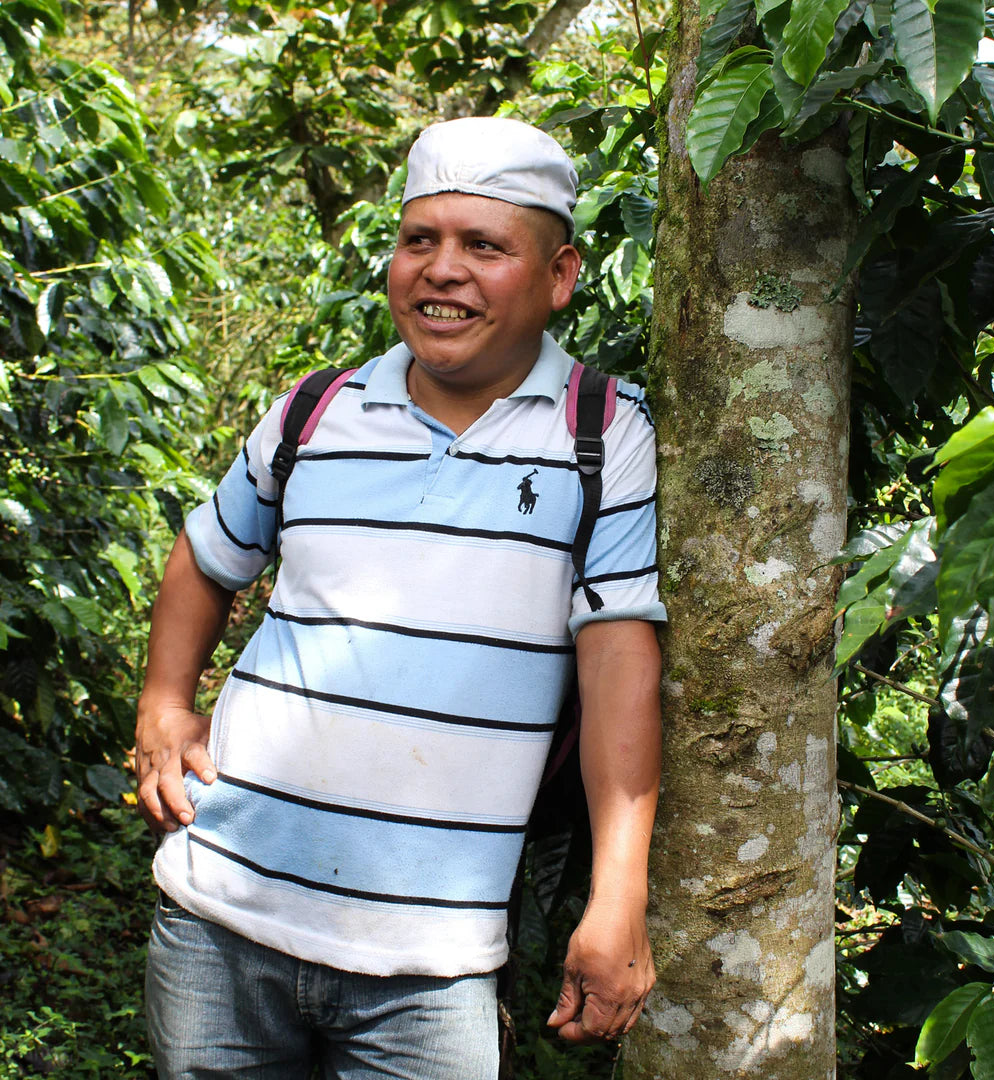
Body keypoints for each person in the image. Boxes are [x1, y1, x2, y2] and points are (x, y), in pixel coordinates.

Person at [136, 115, 665, 1079]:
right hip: (220, 915)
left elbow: (621, 655)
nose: (442, 269)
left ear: (558, 276)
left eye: (484, 246)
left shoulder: (603, 434)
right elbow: (208, 554)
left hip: (433, 963)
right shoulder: (318, 408)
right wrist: (164, 704)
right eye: (420, 240)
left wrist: (617, 894)